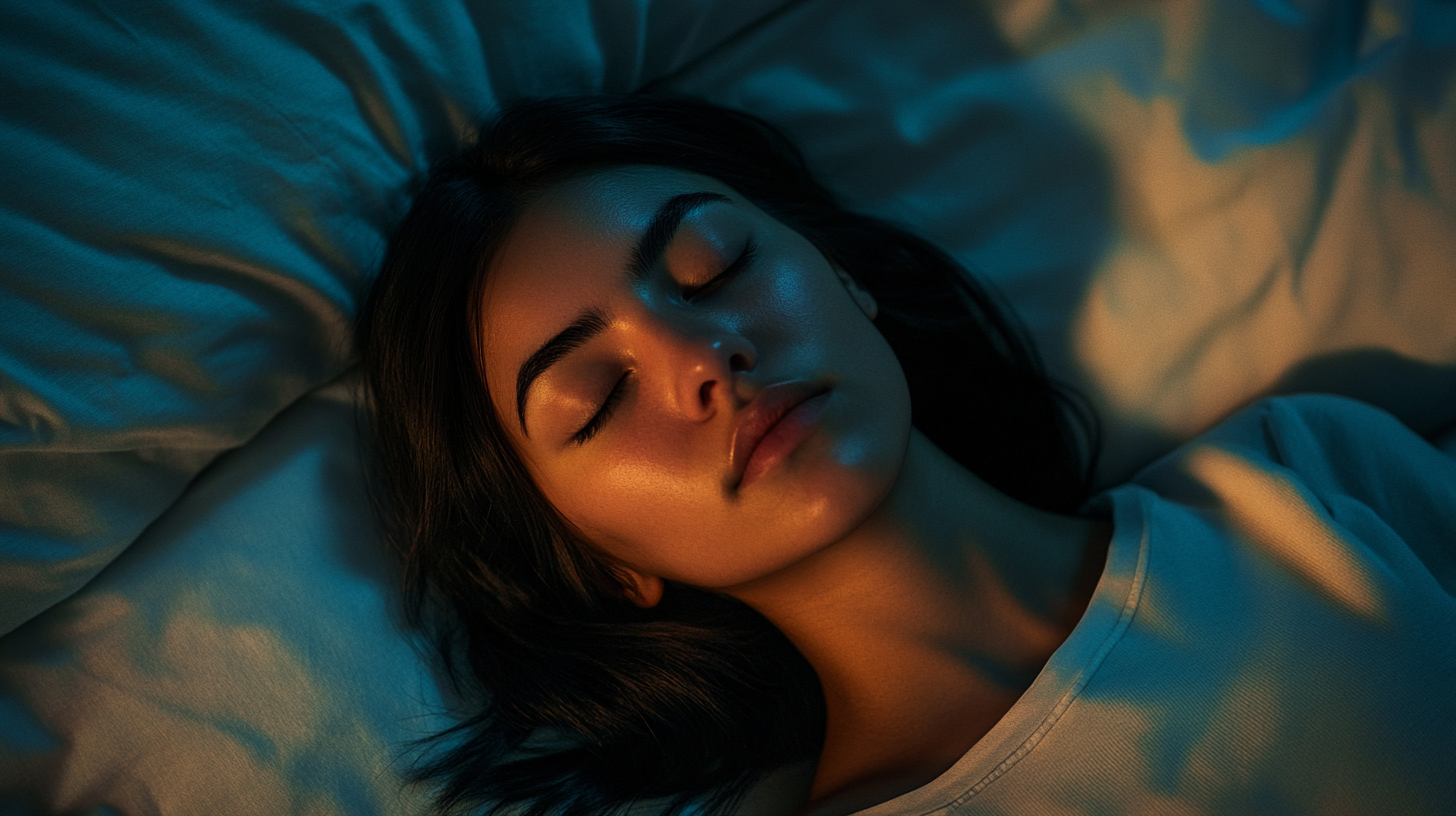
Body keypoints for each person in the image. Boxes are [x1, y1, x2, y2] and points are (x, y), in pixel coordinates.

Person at [357, 95, 1456, 816]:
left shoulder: (1299, 474)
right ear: (595, 563)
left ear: (844, 278)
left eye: (711, 263)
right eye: (596, 398)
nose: (706, 357)